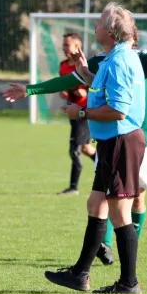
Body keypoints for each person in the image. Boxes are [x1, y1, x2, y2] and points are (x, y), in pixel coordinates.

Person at [3, 29, 147, 265]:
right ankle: (104, 246)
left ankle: (128, 251)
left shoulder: (142, 58)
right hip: (111, 140)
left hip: (141, 141)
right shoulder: (99, 62)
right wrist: (30, 89)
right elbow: (67, 81)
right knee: (106, 196)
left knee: (137, 198)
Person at [9, 2, 146, 294]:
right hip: (112, 142)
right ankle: (80, 274)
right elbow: (105, 90)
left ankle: (128, 283)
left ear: (110, 31)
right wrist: (85, 73)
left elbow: (119, 110)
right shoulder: (116, 56)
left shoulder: (121, 60)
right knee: (95, 204)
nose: (94, 27)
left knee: (120, 212)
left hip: (121, 141)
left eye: (98, 23)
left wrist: (81, 113)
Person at [57, 33, 96, 196]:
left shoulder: (85, 66)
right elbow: (62, 85)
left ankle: (73, 187)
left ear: (77, 47)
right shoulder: (63, 65)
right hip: (72, 112)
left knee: (75, 150)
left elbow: (95, 86)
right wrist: (64, 93)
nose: (64, 47)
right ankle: (109, 165)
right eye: (64, 44)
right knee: (86, 148)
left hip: (84, 112)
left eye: (68, 44)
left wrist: (85, 94)